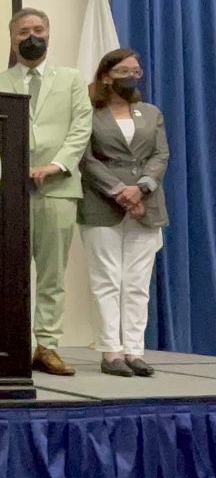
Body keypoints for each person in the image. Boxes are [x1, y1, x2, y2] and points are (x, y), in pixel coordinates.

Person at [0, 7, 92, 376]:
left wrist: (55, 165)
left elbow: (81, 128)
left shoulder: (72, 79)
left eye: (38, 29)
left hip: (58, 189)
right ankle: (11, 345)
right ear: (11, 39)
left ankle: (47, 346)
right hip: (9, 193)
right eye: (22, 31)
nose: (31, 36)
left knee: (51, 275)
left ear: (49, 33)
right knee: (8, 273)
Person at [79, 49, 168, 377]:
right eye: (124, 70)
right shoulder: (89, 113)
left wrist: (141, 187)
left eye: (137, 70)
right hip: (102, 204)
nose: (133, 75)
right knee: (107, 280)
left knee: (137, 282)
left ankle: (134, 350)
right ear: (106, 75)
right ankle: (111, 352)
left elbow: (161, 155)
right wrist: (119, 192)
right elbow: (86, 160)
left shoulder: (151, 112)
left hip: (147, 204)